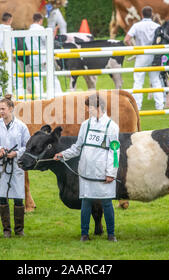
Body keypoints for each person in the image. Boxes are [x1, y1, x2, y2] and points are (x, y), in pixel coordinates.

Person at [53, 93, 119, 242]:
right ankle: (84, 234)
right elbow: (77, 148)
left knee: (107, 203)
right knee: (86, 202)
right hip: (86, 172)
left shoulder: (112, 126)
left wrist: (111, 173)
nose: (88, 110)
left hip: (103, 173)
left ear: (98, 107)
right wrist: (63, 155)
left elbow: (115, 152)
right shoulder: (85, 125)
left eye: (90, 107)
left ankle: (111, 234)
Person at [0, 94, 30, 238]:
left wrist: (16, 153)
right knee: (2, 196)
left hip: (16, 166)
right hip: (2, 165)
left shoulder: (22, 127)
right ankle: (6, 230)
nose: (1, 112)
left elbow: (28, 147)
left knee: (18, 197)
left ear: (11, 109)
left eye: (3, 109)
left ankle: (19, 229)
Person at [124, 6, 163, 111]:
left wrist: (133, 49)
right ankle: (160, 106)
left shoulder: (136, 26)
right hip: (154, 54)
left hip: (141, 54)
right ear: (152, 14)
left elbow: (127, 39)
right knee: (156, 80)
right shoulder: (156, 26)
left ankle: (138, 106)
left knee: (138, 81)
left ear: (141, 14)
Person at [26, 13, 63, 96]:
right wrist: (55, 31)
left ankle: (40, 97)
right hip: (43, 57)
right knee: (52, 77)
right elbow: (48, 41)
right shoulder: (41, 29)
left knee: (37, 79)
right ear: (40, 20)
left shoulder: (28, 31)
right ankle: (58, 94)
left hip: (33, 58)